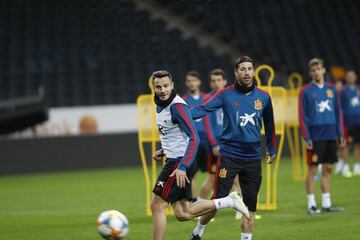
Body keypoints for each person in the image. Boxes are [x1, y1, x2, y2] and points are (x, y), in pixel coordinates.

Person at [150, 70, 249, 240]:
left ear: (172, 85)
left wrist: (182, 166)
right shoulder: (162, 104)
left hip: (178, 164)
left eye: (166, 85)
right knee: (183, 213)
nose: (163, 90)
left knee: (157, 205)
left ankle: (230, 201)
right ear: (154, 87)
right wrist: (164, 150)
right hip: (175, 159)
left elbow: (194, 138)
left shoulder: (177, 106)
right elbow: (175, 133)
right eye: (158, 87)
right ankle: (229, 201)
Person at [189, 56, 276, 240]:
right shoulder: (225, 94)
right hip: (229, 155)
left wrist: (271, 148)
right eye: (242, 69)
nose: (246, 72)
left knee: (250, 204)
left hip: (253, 158)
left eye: (249, 68)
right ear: (236, 73)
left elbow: (270, 125)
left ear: (253, 71)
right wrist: (181, 115)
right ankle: (198, 232)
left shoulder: (264, 97)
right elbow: (202, 109)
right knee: (218, 198)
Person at [298, 58, 346, 215]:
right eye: (313, 70)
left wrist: (340, 133)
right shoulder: (305, 91)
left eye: (318, 69)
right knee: (313, 169)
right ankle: (311, 205)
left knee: (328, 168)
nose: (316, 72)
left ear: (324, 70)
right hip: (315, 136)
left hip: (331, 134)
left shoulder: (332, 89)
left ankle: (326, 204)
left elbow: (337, 113)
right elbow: (302, 116)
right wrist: (307, 137)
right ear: (310, 73)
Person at [182, 71, 217, 201]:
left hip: (209, 142)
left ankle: (207, 203)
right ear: (186, 83)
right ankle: (194, 203)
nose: (192, 83)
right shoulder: (183, 101)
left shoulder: (207, 98)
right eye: (189, 81)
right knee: (191, 175)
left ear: (199, 82)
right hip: (192, 142)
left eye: (194, 81)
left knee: (214, 174)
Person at [336, 70, 360, 176]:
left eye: (352, 76)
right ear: (346, 78)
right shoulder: (342, 91)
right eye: (349, 76)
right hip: (346, 122)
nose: (351, 78)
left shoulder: (359, 89)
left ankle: (357, 166)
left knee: (358, 145)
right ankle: (345, 166)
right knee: (344, 145)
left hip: (358, 121)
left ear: (355, 77)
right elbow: (338, 106)